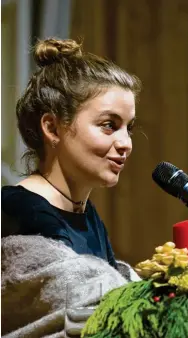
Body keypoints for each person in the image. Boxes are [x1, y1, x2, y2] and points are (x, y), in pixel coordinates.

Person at [1, 38, 141, 337]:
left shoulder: (86, 214)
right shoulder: (16, 212)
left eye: (128, 127)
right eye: (109, 125)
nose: (125, 143)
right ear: (52, 128)